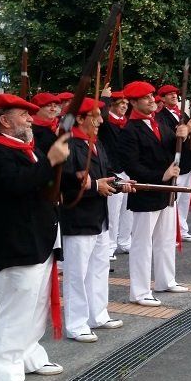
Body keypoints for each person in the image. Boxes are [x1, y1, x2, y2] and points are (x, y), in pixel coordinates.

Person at [0, 93, 71, 381]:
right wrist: (51, 160)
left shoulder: (26, 147)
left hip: (40, 235)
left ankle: (30, 354)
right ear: (5, 121)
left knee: (37, 304)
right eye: (23, 115)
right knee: (16, 309)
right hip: (18, 238)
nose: (30, 119)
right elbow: (17, 184)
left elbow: (43, 180)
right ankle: (7, 371)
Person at [60, 98, 126, 343]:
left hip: (98, 216)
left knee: (99, 267)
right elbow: (66, 182)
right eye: (94, 116)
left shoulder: (95, 142)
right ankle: (76, 324)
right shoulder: (67, 144)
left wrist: (119, 183)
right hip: (78, 217)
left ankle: (97, 314)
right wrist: (96, 186)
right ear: (79, 118)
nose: (100, 121)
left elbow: (104, 173)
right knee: (77, 273)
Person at [121, 81, 189, 307]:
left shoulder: (158, 122)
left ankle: (165, 280)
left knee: (166, 239)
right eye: (146, 97)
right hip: (146, 193)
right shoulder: (130, 130)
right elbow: (132, 166)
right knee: (142, 244)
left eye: (152, 96)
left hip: (166, 191)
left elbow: (171, 147)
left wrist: (183, 135)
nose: (152, 100)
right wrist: (162, 174)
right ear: (133, 103)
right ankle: (140, 291)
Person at [156, 84, 191, 243]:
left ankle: (182, 228)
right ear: (162, 98)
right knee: (174, 199)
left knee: (184, 200)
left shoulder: (182, 114)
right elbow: (169, 138)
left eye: (175, 93)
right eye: (169, 94)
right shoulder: (160, 117)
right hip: (175, 163)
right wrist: (186, 129)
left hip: (188, 161)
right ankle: (172, 233)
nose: (174, 96)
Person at [99, 89, 133, 258]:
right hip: (113, 170)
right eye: (121, 104)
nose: (124, 107)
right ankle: (110, 246)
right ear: (112, 105)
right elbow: (101, 114)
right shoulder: (106, 123)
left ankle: (125, 241)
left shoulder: (127, 123)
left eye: (126, 104)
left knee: (128, 209)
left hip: (128, 170)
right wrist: (104, 97)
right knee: (113, 212)